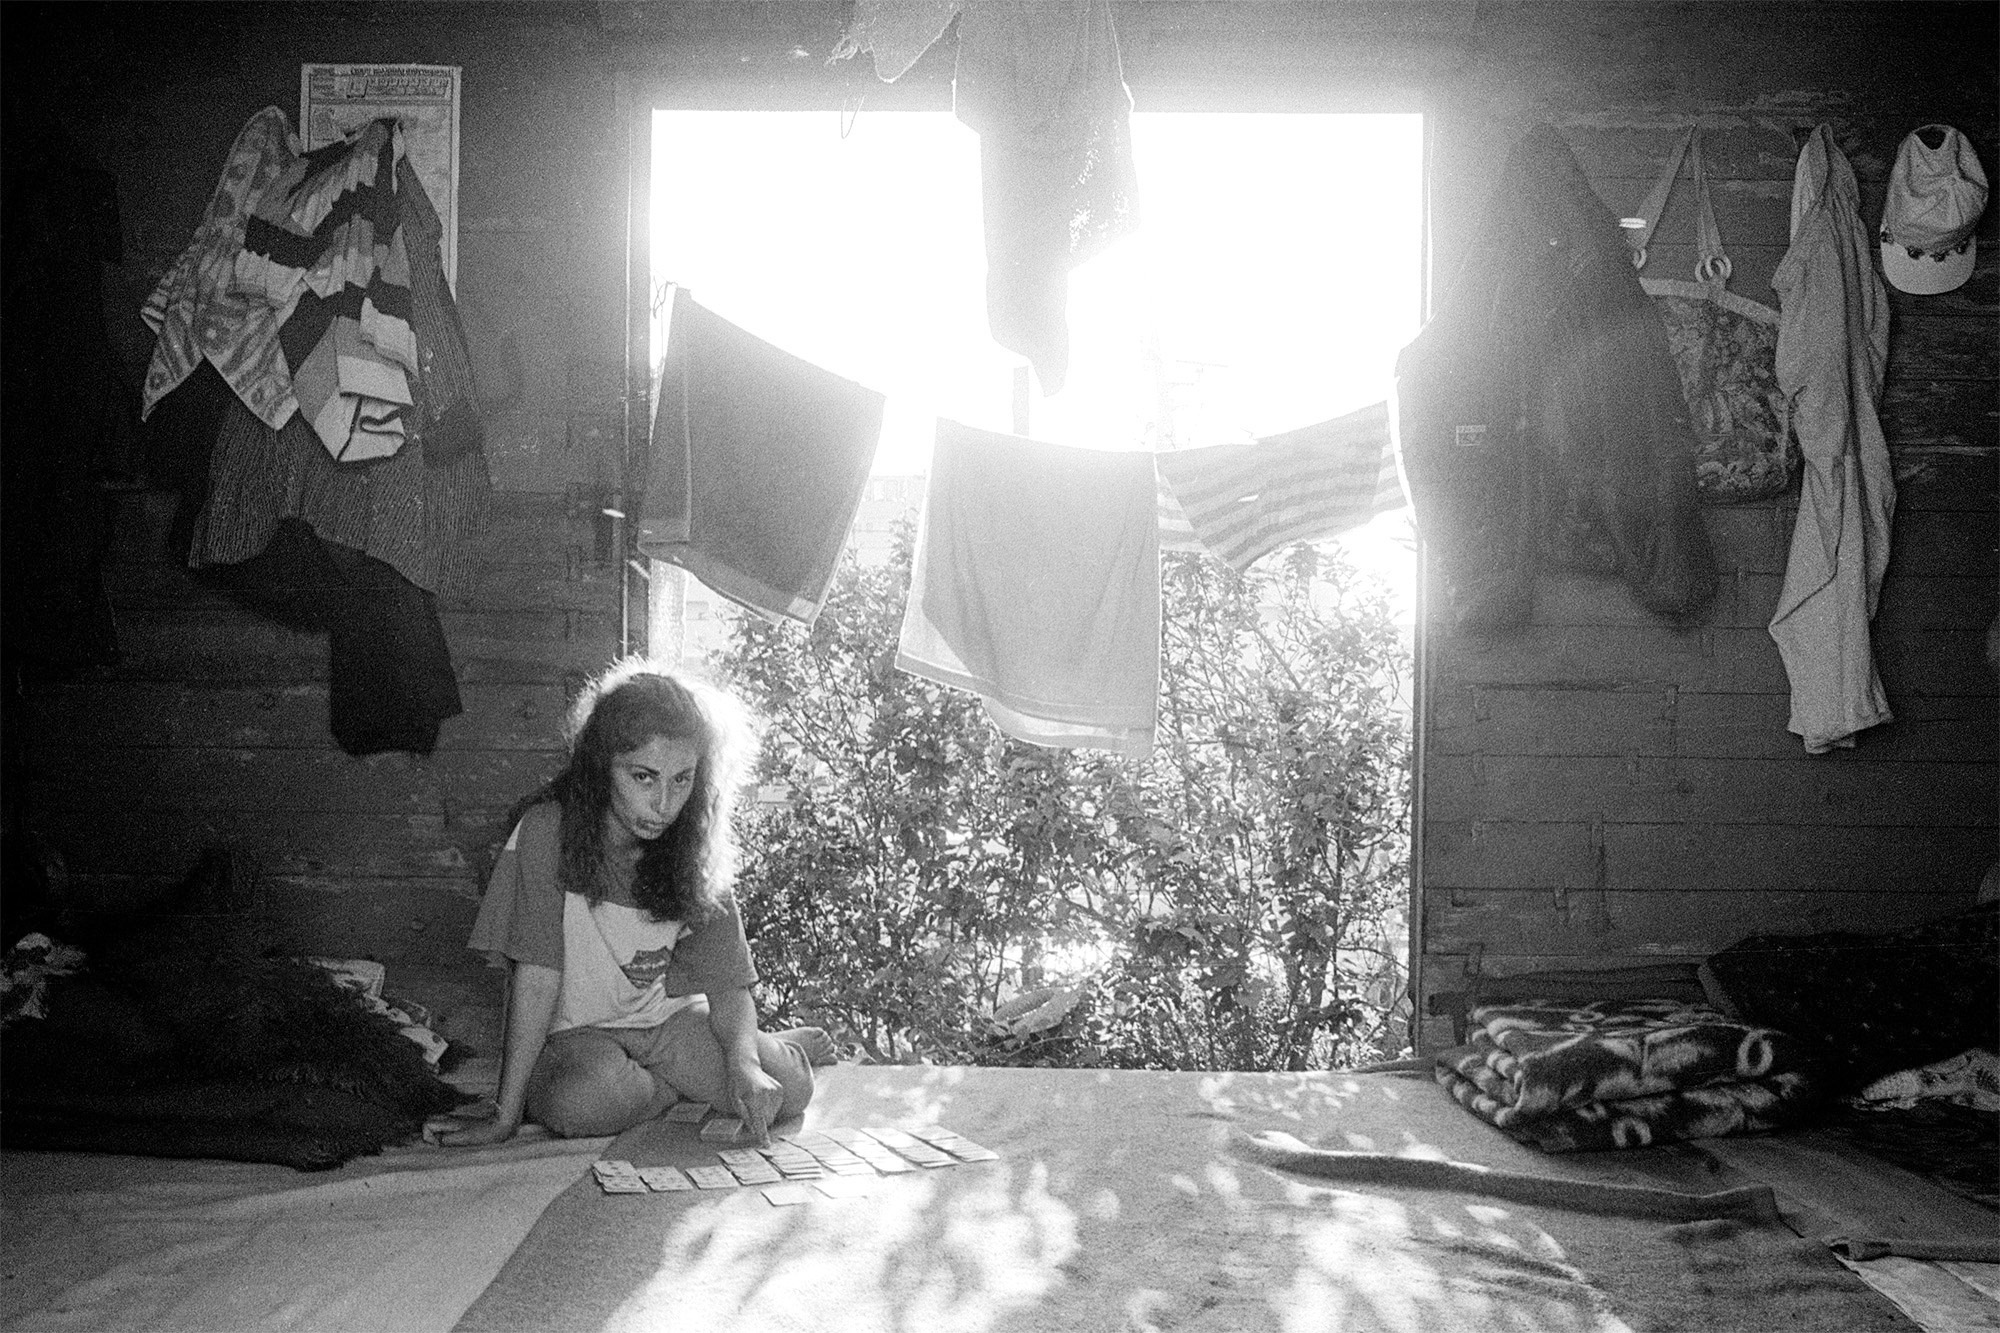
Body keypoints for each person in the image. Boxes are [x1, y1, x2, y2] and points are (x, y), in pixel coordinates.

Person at [428, 658, 832, 1148]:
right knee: (583, 1103)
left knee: (790, 1090)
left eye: (682, 779)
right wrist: (504, 1115)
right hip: (578, 1036)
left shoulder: (695, 844)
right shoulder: (545, 831)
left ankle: (759, 1052)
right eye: (644, 777)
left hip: (669, 1022)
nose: (665, 804)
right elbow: (534, 977)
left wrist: (744, 1065)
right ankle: (680, 1084)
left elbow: (727, 983)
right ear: (601, 767)